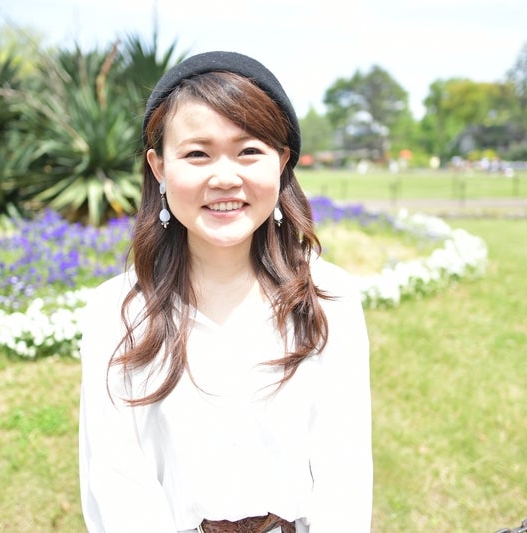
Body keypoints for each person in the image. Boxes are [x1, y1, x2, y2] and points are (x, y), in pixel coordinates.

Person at [78, 51, 372, 533]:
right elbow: (117, 483)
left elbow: (345, 471)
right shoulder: (117, 311)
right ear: (158, 166)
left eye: (248, 151)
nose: (224, 178)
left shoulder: (328, 297)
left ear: (282, 161)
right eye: (197, 154)